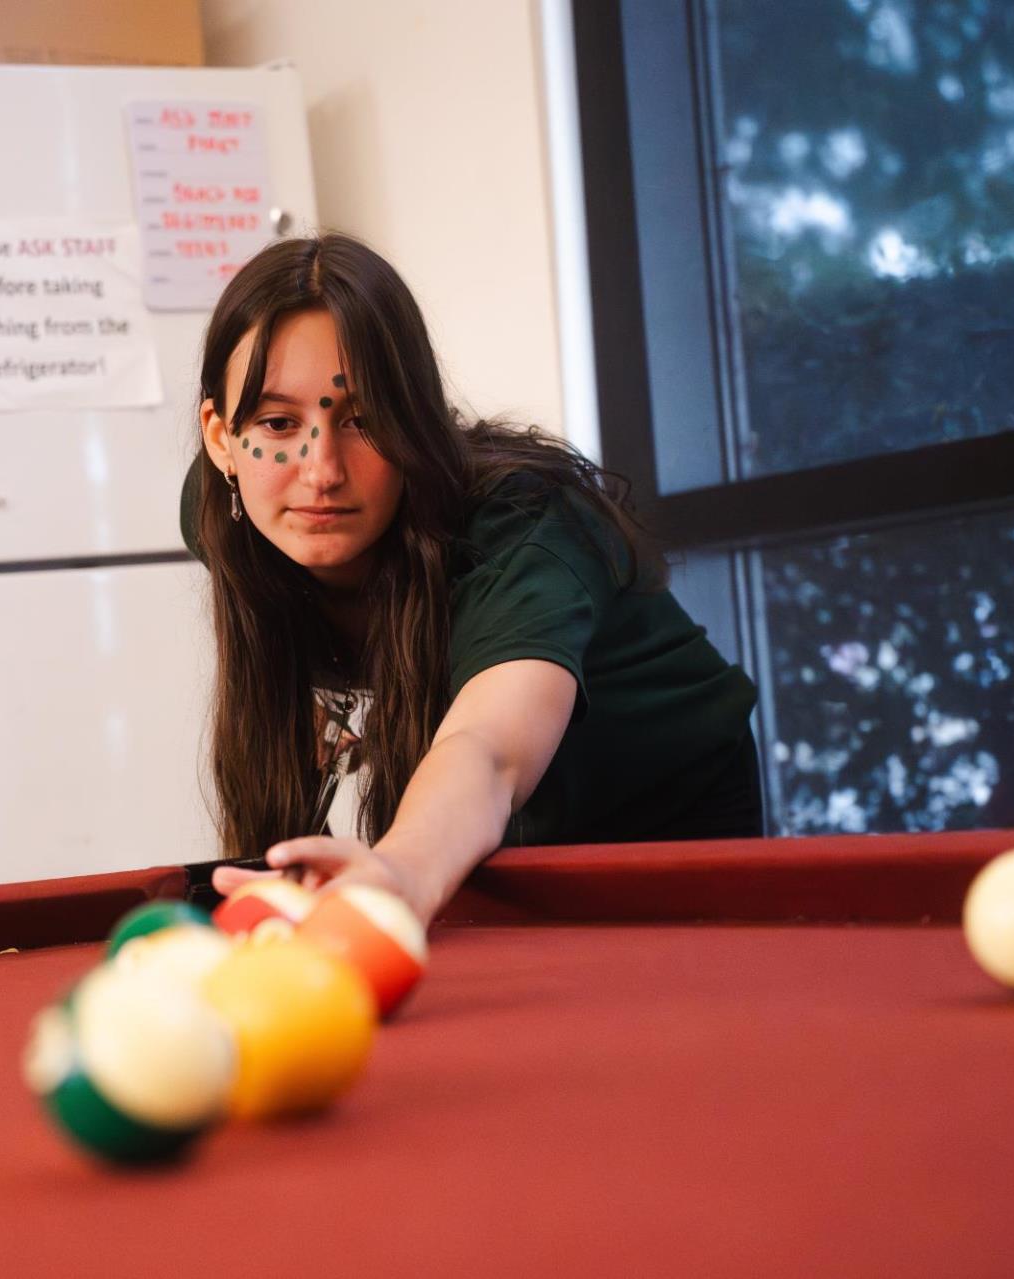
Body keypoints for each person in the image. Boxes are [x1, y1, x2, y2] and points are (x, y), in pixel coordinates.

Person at [183, 233, 759, 924]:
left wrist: (397, 872)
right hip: (500, 833)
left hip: (662, 820)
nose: (321, 469)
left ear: (416, 422)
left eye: (364, 421)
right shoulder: (229, 512)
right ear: (220, 437)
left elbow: (485, 753)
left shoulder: (524, 524)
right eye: (278, 422)